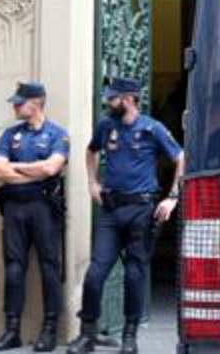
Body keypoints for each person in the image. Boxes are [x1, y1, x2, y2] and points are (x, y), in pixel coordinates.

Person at [66, 77, 184, 354]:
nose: (108, 101)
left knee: (134, 275)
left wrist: (173, 198)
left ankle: (130, 336)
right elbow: (90, 151)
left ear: (129, 99)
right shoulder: (107, 126)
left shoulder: (153, 129)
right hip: (110, 210)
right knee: (95, 274)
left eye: (113, 98)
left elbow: (181, 157)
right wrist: (92, 182)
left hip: (142, 211)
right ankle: (88, 334)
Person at [0, 82, 71, 352]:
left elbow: (51, 168)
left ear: (36, 103)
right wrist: (30, 172)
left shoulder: (58, 134)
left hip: (44, 207)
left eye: (19, 102)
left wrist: (15, 167)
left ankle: (49, 330)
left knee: (49, 267)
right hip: (14, 208)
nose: (14, 106)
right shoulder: (10, 135)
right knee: (14, 267)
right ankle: (11, 330)